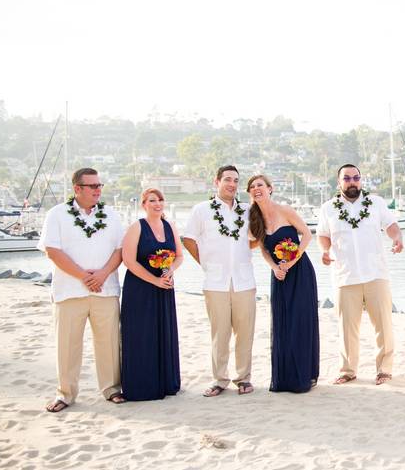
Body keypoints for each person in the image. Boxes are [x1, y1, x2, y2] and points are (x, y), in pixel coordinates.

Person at [39, 167, 126, 412]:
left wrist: (101, 274)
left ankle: (111, 388)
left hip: (105, 289)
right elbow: (52, 250)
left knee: (108, 342)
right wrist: (83, 276)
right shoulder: (57, 214)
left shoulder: (111, 215)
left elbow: (120, 250)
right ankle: (65, 393)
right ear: (77, 188)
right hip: (69, 291)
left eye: (100, 186)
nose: (98, 190)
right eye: (93, 186)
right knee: (67, 344)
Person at [317, 164, 403, 386]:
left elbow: (391, 225)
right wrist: (325, 251)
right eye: (347, 178)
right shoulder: (328, 208)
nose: (352, 181)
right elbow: (323, 235)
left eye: (356, 178)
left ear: (361, 180)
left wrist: (397, 238)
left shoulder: (376, 203)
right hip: (345, 275)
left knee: (383, 325)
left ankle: (384, 369)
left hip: (376, 273)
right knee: (347, 327)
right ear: (339, 182)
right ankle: (348, 370)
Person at [182, 165, 257, 397]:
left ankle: (243, 378)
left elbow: (256, 239)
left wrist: (245, 251)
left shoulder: (248, 210)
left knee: (245, 332)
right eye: (227, 179)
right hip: (215, 282)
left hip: (244, 281)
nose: (232, 184)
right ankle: (219, 379)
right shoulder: (202, 210)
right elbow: (188, 239)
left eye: (235, 180)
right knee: (220, 333)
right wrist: (205, 263)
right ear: (217, 182)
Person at [248, 174, 319, 393]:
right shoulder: (254, 219)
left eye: (260, 185)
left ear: (270, 188)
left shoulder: (285, 211)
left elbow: (306, 235)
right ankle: (284, 377)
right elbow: (263, 249)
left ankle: (304, 376)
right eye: (252, 187)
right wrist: (275, 267)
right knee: (283, 323)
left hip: (299, 272)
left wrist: (291, 261)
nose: (256, 188)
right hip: (279, 275)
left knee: (300, 322)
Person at [120, 188, 183, 401]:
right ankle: (143, 385)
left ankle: (165, 382)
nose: (157, 204)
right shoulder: (137, 227)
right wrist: (154, 279)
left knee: (163, 332)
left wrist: (169, 270)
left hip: (164, 287)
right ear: (144, 204)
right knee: (142, 334)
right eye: (152, 200)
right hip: (140, 288)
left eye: (160, 200)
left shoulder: (170, 226)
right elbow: (128, 260)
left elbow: (179, 256)